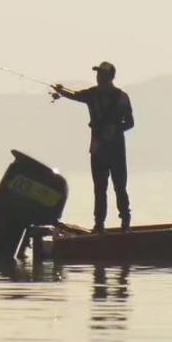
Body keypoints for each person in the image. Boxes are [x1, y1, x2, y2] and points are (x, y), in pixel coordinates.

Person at [51, 62, 135, 231]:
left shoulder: (122, 97)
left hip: (117, 149)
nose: (98, 77)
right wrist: (61, 91)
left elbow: (131, 123)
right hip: (98, 149)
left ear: (110, 77)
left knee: (120, 186)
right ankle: (99, 224)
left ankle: (125, 222)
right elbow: (74, 95)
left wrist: (115, 129)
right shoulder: (91, 94)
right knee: (99, 189)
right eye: (97, 74)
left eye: (101, 74)